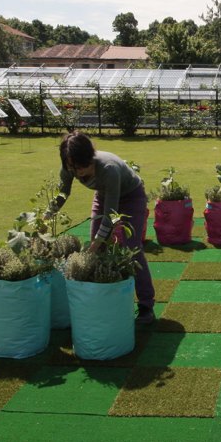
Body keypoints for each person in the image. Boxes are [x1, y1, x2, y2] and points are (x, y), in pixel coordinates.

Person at [50, 131, 155, 323]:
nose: (78, 172)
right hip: (103, 195)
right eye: (73, 167)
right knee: (97, 248)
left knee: (131, 248)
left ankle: (146, 305)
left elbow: (111, 215)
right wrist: (48, 215)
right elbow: (63, 192)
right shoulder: (69, 166)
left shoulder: (108, 169)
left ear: (90, 157)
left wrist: (97, 242)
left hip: (131, 196)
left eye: (82, 166)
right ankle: (101, 300)